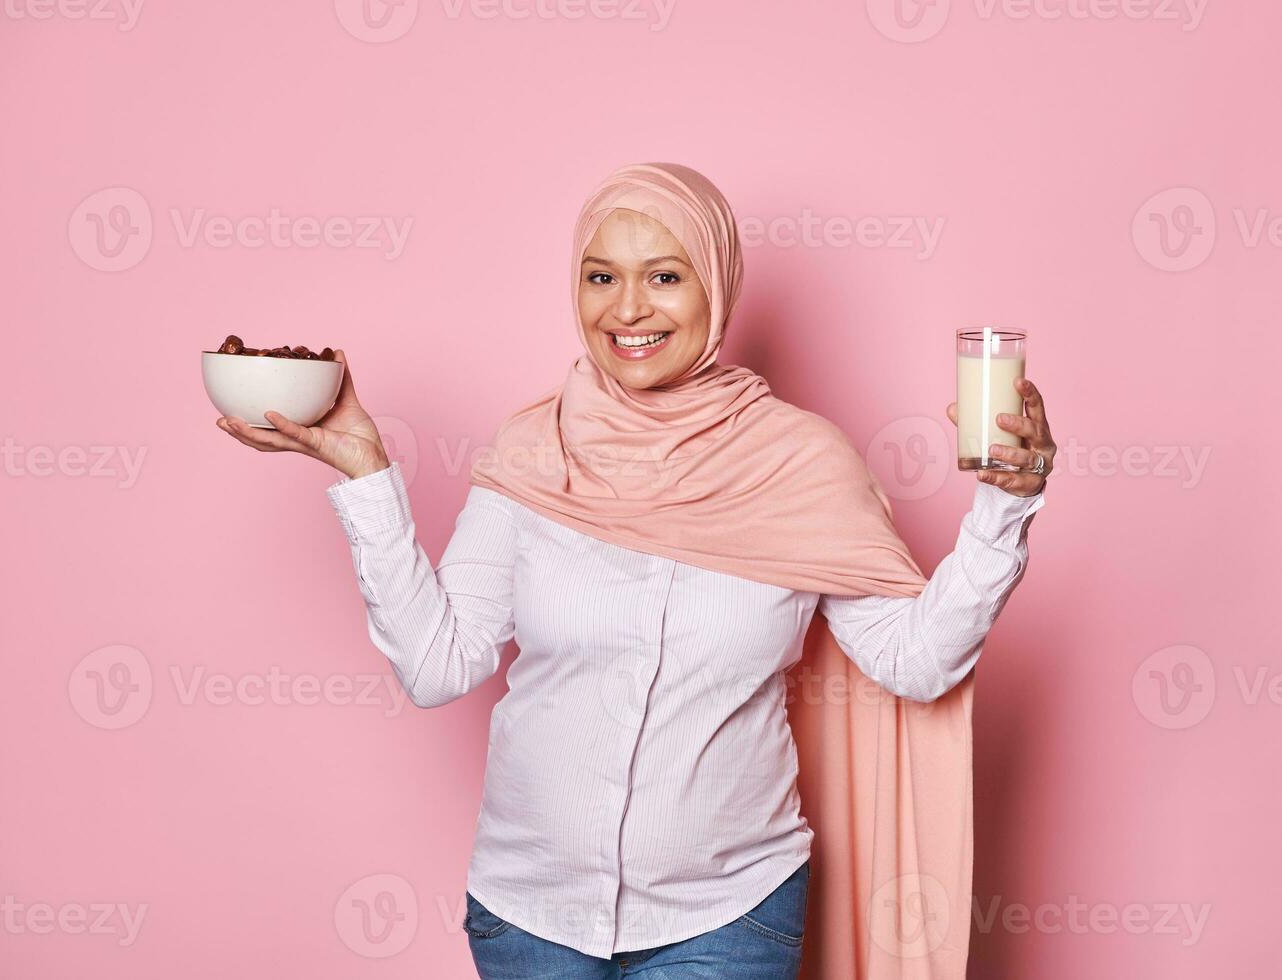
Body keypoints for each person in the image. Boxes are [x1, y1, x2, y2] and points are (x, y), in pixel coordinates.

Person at [216, 162, 1055, 979]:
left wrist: (1003, 509)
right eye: (599, 276)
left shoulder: (802, 464)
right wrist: (367, 476)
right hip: (527, 916)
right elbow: (439, 667)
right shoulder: (533, 450)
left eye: (663, 276)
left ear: (716, 288)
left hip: (729, 916)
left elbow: (916, 662)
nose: (626, 309)